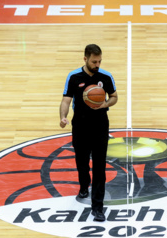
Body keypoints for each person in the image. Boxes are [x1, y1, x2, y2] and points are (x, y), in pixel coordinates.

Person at [59, 44, 118, 222]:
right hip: (80, 125)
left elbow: (114, 97)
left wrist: (105, 104)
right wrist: (63, 117)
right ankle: (84, 185)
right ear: (85, 59)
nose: (97, 64)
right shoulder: (74, 76)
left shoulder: (106, 77)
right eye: (94, 61)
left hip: (100, 124)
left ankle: (98, 208)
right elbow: (66, 100)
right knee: (82, 162)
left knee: (100, 166)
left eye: (99, 61)